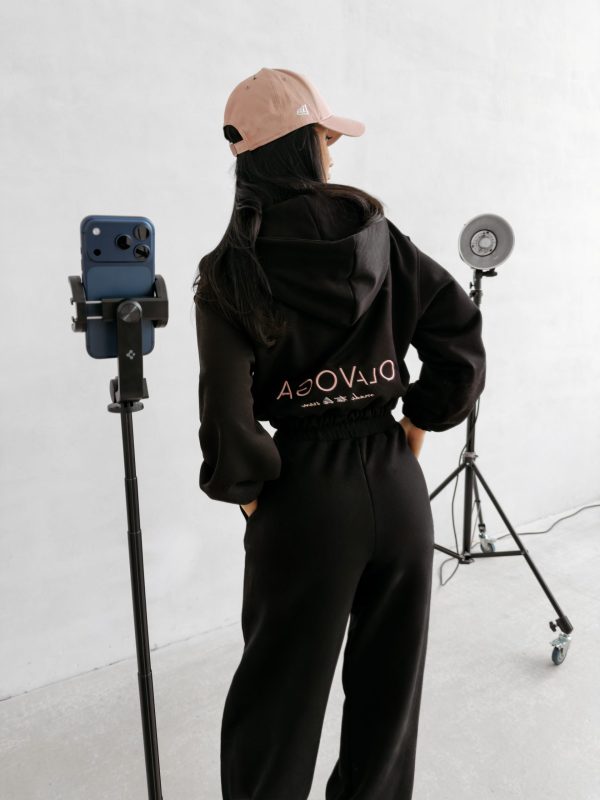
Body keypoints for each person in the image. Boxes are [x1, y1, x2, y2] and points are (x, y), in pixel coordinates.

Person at [192, 67, 486, 800]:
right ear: (304, 146)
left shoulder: (230, 268)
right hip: (397, 490)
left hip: (303, 502)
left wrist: (252, 493)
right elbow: (458, 336)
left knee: (277, 704)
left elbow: (226, 412)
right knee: (389, 700)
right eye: (325, 138)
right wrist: (415, 423)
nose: (332, 152)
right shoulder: (379, 237)